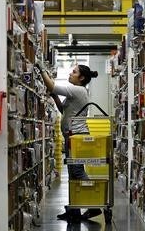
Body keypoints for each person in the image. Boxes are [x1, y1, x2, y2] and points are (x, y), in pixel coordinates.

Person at [36, 63, 102, 222]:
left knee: (77, 172)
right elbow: (63, 110)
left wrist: (41, 68)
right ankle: (74, 211)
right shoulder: (77, 91)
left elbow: (52, 85)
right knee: (73, 175)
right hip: (72, 137)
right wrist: (54, 96)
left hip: (77, 137)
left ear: (81, 78)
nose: (71, 74)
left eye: (74, 72)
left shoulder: (77, 90)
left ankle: (94, 205)